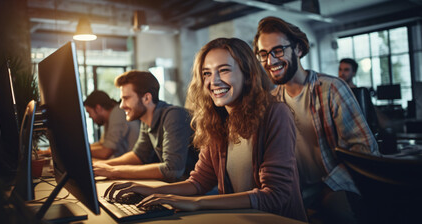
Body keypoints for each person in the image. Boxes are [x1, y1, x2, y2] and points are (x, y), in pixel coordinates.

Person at [103, 38, 307, 222]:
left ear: (247, 74)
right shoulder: (217, 120)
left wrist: (197, 203)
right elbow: (198, 182)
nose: (213, 81)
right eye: (207, 73)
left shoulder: (275, 114)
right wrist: (147, 190)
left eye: (224, 70)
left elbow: (275, 195)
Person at [253, 16, 379, 224]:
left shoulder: (331, 88)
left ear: (298, 50)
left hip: (336, 184)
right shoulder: (270, 102)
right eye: (263, 54)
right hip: (296, 189)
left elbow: (364, 149)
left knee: (336, 210)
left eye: (278, 51)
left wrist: (329, 189)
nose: (270, 61)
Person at [92, 71, 197, 182]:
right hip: (179, 187)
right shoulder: (147, 120)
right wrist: (99, 165)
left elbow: (172, 170)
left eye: (126, 98)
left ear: (147, 98)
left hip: (201, 192)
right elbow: (138, 156)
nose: (121, 106)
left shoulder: (174, 115)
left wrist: (113, 171)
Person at [84, 90, 140, 160]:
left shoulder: (118, 114)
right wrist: (83, 147)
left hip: (134, 165)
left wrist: (80, 151)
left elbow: (105, 152)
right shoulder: (109, 118)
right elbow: (102, 144)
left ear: (98, 108)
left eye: (89, 112)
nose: (89, 116)